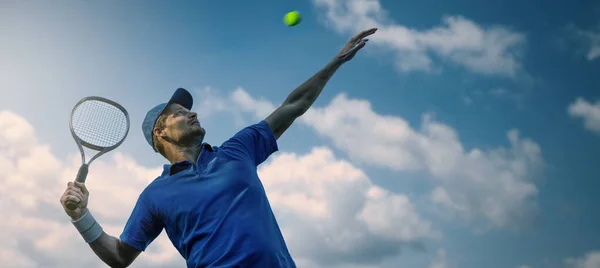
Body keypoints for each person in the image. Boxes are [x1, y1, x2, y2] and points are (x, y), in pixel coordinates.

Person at [59, 27, 377, 268]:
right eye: (179, 113)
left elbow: (294, 104)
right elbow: (119, 256)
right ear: (160, 132)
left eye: (189, 110)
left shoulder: (237, 150)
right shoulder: (155, 195)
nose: (192, 113)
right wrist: (81, 217)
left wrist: (336, 62)